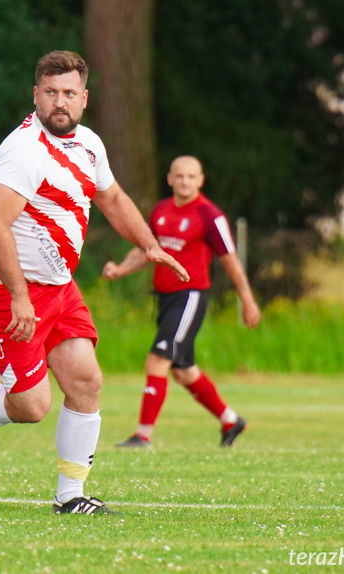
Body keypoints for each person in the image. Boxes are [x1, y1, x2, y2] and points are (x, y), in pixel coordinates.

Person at [0, 51, 189, 515]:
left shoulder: (89, 144)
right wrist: (19, 296)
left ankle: (71, 496)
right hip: (1, 291)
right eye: (50, 92)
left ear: (85, 98)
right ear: (36, 95)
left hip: (58, 287)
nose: (59, 102)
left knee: (86, 380)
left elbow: (111, 198)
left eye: (69, 93)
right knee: (31, 407)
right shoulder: (23, 152)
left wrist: (148, 245)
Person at [103, 155, 261, 449]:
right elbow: (147, 250)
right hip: (165, 297)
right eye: (179, 176)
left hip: (190, 296)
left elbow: (231, 261)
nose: (184, 181)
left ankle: (143, 435)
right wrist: (121, 269)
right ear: (169, 179)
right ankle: (231, 420)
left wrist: (248, 301)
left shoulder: (210, 215)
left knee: (158, 359)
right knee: (183, 371)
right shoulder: (161, 211)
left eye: (191, 176)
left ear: (200, 180)